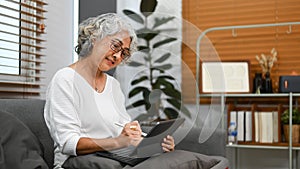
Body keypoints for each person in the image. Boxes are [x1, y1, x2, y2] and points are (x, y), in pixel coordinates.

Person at [44, 13, 176, 169]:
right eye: (115, 46)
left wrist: (151, 142)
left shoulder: (113, 85)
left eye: (124, 53)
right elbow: (68, 143)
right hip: (75, 162)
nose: (118, 56)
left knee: (172, 159)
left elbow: (123, 129)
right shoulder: (65, 79)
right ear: (94, 39)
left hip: (111, 155)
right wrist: (117, 142)